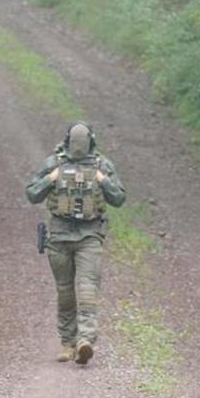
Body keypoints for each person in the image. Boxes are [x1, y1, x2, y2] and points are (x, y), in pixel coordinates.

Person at [25, 121, 126, 365]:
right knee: (65, 292)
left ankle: (85, 340)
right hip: (59, 236)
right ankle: (67, 342)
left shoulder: (103, 165)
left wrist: (103, 180)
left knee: (87, 289)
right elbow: (32, 193)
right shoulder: (54, 164)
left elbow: (119, 198)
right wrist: (51, 179)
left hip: (89, 236)